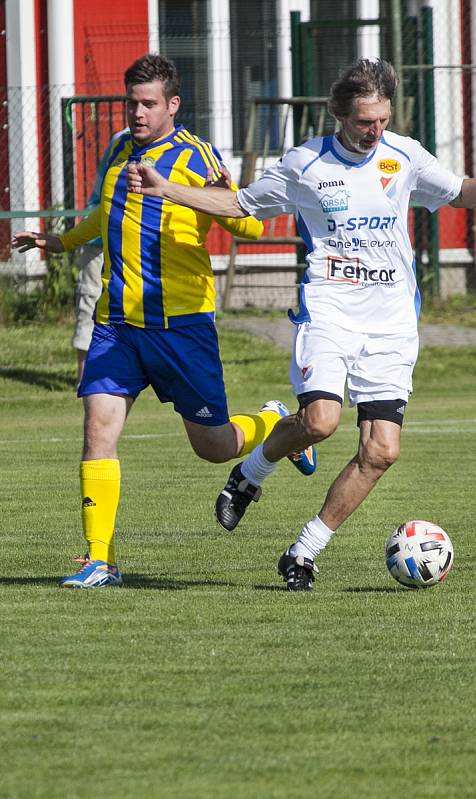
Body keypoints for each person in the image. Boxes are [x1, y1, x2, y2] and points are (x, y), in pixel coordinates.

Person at [126, 58, 476, 591]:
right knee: (319, 423)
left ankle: (304, 551)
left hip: (392, 323)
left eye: (382, 119)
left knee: (382, 450)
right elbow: (240, 202)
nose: (374, 130)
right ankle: (250, 477)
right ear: (340, 115)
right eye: (364, 121)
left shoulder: (404, 155)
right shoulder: (305, 163)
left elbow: (459, 191)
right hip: (331, 311)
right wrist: (166, 190)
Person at [11, 53, 316, 589]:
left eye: (148, 103)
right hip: (117, 326)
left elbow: (252, 230)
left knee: (213, 447)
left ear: (173, 104)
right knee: (97, 429)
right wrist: (59, 242)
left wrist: (225, 192)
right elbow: (106, 215)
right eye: (131, 102)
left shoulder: (197, 155)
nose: (136, 112)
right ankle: (98, 560)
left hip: (182, 328)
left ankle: (275, 423)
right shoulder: (118, 152)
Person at [72, 129, 128, 385]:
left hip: (136, 238)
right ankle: (84, 377)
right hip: (100, 236)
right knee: (91, 299)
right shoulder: (124, 141)